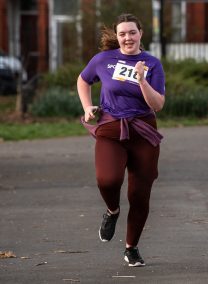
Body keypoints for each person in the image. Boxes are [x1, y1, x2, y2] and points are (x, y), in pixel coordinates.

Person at [77, 13, 165, 267]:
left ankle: (131, 247)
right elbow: (83, 80)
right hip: (111, 127)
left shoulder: (152, 64)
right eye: (122, 33)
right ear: (117, 36)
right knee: (108, 180)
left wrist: (141, 81)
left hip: (143, 131)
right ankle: (112, 211)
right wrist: (86, 107)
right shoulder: (103, 59)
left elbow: (158, 104)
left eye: (132, 32)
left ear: (141, 34)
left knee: (140, 194)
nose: (127, 38)